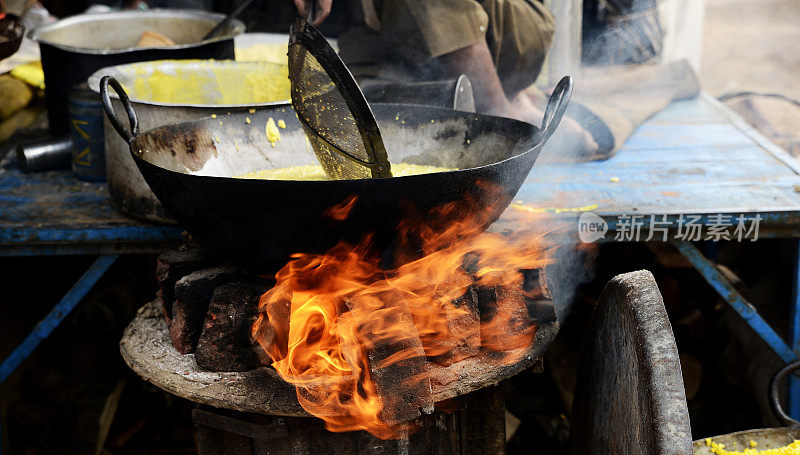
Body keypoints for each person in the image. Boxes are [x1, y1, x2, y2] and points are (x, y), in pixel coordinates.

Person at [293, 0, 598, 157]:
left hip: (511, 31)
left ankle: (499, 108)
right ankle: (513, 94)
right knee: (363, 115)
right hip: (398, 42)